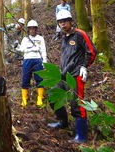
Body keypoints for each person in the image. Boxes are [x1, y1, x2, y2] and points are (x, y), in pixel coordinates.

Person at [47, 10, 97, 143]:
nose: (63, 24)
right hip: (63, 74)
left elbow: (91, 52)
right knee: (53, 97)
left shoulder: (79, 34)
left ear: (70, 21)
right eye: (60, 22)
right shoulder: (63, 37)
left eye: (65, 21)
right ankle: (63, 122)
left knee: (77, 104)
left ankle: (81, 136)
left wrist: (85, 66)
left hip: (76, 74)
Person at [18, 20, 47, 107]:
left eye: (34, 29)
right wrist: (30, 49)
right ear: (28, 30)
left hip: (37, 59)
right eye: (30, 29)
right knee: (25, 78)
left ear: (36, 29)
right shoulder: (25, 39)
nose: (32, 31)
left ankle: (40, 97)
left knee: (39, 78)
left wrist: (44, 60)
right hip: (27, 59)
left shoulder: (40, 38)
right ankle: (24, 97)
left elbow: (43, 49)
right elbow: (22, 49)